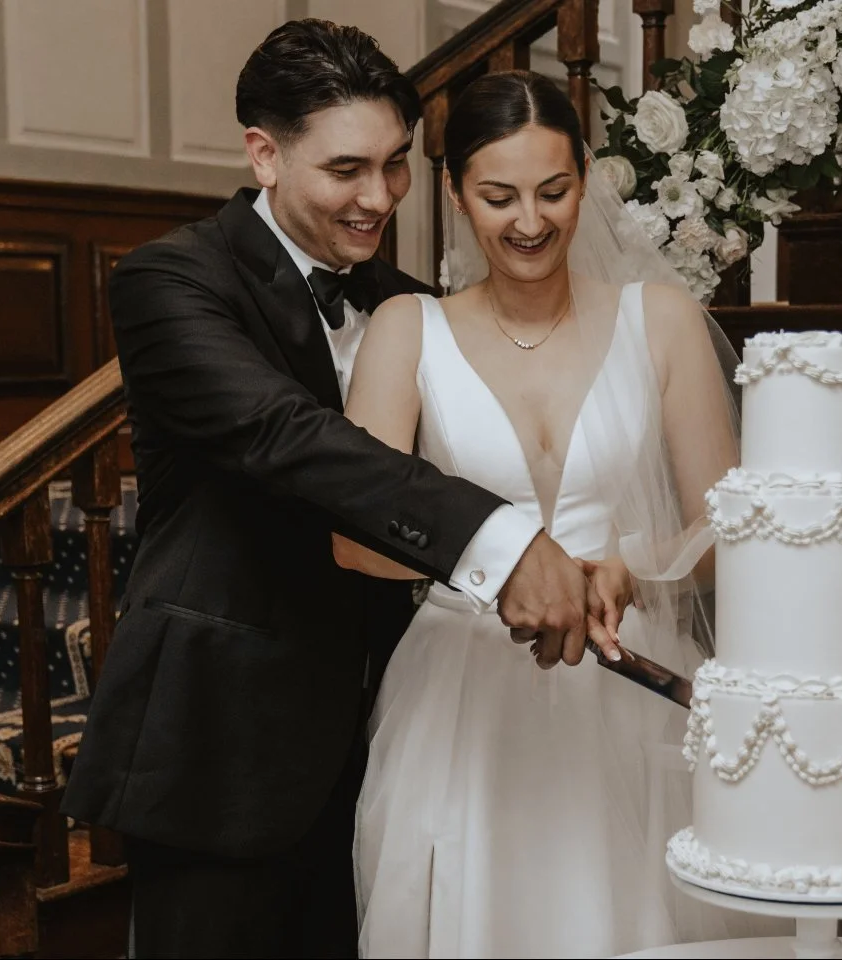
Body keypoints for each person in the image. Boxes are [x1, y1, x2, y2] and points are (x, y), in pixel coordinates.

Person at [62, 23, 593, 959]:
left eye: (394, 167)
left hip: (388, 744)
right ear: (264, 155)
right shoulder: (173, 278)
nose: (378, 196)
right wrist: (504, 544)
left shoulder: (407, 303)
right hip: (221, 741)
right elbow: (286, 438)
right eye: (346, 169)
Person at [342, 70, 788, 958]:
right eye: (498, 196)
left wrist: (635, 564)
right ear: (454, 189)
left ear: (587, 176)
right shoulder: (406, 329)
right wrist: (499, 568)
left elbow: (727, 523)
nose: (530, 222)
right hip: (460, 691)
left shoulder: (658, 320)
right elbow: (358, 542)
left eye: (554, 191)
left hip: (633, 683)